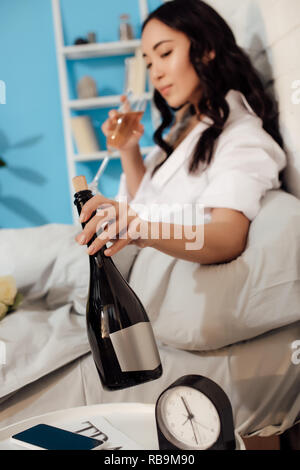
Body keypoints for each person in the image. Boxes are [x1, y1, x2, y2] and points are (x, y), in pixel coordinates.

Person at [76, 0, 286, 265]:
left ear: (207, 49)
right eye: (149, 63)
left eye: (164, 54)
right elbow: (150, 201)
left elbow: (228, 236)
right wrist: (129, 150)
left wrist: (145, 228)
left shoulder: (242, 137)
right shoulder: (188, 128)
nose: (156, 74)